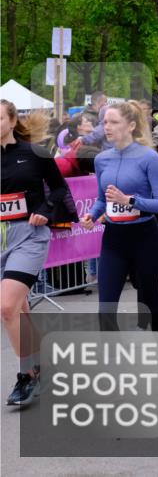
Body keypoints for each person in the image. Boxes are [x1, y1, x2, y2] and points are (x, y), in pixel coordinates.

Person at [78, 101, 158, 387]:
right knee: (105, 307)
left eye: (112, 122)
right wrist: (93, 215)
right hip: (114, 240)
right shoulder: (102, 160)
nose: (106, 128)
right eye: (104, 123)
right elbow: (101, 198)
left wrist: (130, 201)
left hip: (146, 238)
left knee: (150, 307)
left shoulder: (149, 158)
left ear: (131, 126)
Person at [1, 101, 75, 406]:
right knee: (21, 310)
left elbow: (59, 189)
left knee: (6, 307)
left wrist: (44, 210)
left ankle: (27, 376)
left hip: (29, 236)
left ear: (12, 120)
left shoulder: (34, 153)